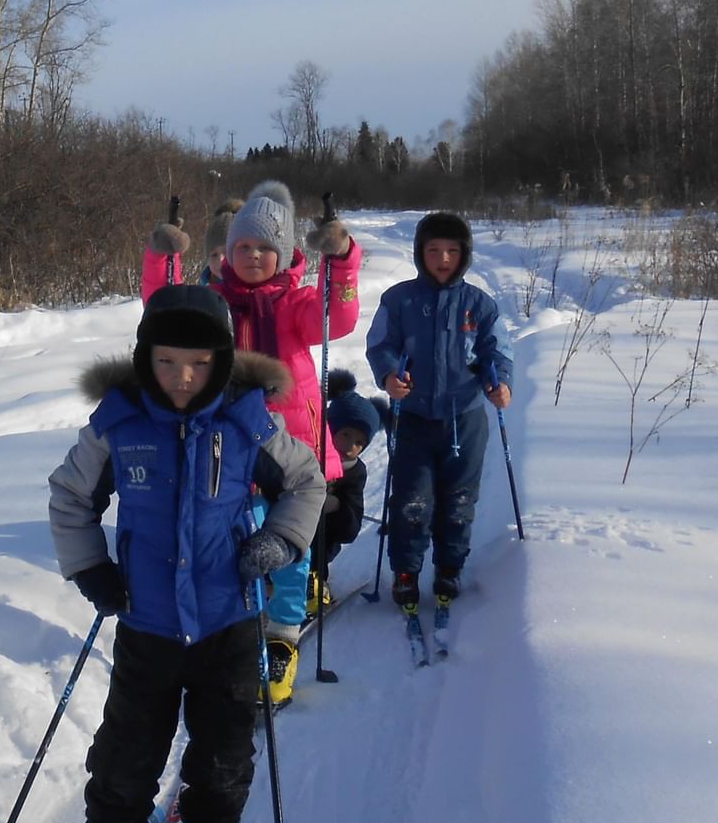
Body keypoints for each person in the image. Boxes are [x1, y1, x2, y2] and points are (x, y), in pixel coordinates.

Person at [48, 284, 324, 823]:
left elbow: (305, 481)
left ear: (221, 361)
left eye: (199, 364)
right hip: (146, 622)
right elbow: (70, 495)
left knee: (225, 743)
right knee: (128, 744)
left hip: (228, 619)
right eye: (167, 361)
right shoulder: (119, 427)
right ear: (146, 355)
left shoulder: (247, 423)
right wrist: (90, 565)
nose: (182, 377)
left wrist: (280, 542)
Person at [211, 182, 359, 699]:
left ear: (284, 254)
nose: (253, 256)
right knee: (236, 537)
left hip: (290, 449)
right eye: (244, 247)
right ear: (230, 252)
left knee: (287, 545)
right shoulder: (215, 303)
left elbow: (337, 316)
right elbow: (160, 314)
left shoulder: (296, 303)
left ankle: (282, 636)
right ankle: (235, 621)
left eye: (264, 248)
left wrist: (341, 260)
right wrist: (159, 258)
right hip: (228, 444)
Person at [365, 211, 512, 614]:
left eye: (451, 250)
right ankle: (406, 570)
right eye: (433, 250)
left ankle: (450, 565)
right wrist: (389, 375)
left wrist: (500, 383)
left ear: (464, 255)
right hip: (412, 417)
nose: (442, 258)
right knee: (412, 498)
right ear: (420, 253)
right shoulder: (399, 300)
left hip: (464, 418)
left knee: (459, 498)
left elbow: (494, 351)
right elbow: (380, 345)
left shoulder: (479, 304)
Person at [310, 369, 393, 601]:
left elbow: (350, 529)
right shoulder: (307, 456)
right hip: (293, 525)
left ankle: (315, 579)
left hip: (325, 536)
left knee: (319, 533)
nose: (351, 446)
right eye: (345, 435)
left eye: (359, 442)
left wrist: (336, 505)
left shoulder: (355, 473)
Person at [141, 198, 242, 299]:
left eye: (228, 252)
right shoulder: (203, 298)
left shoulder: (254, 299)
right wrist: (160, 255)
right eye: (214, 254)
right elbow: (165, 306)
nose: (220, 259)